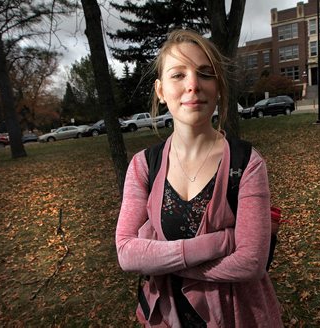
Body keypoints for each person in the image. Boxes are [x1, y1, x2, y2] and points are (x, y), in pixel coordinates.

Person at [115, 29, 283, 328]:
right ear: (161, 91)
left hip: (237, 316)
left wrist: (163, 261)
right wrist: (221, 243)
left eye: (205, 73)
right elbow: (127, 253)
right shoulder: (143, 166)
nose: (193, 85)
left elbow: (250, 263)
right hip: (167, 317)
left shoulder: (247, 163)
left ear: (217, 86)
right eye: (178, 75)